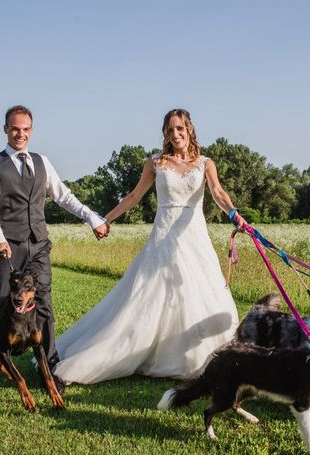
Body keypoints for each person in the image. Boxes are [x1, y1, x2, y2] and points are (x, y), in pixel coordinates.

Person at [53, 108, 247, 384]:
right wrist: (105, 219)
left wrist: (234, 214)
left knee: (195, 293)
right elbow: (134, 196)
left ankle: (191, 357)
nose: (176, 134)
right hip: (163, 236)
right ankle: (123, 351)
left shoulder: (206, 163)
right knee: (148, 296)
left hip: (194, 238)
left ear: (189, 129)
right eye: (170, 129)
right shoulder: (156, 163)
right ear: (165, 133)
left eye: (180, 128)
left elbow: (217, 192)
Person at [0, 105, 109, 394]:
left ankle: (48, 365)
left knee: (43, 304)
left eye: (25, 129)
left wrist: (91, 218)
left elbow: (64, 196)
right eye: (15, 128)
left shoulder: (42, 162)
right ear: (5, 130)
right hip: (7, 246)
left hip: (38, 245)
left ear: (31, 130)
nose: (20, 134)